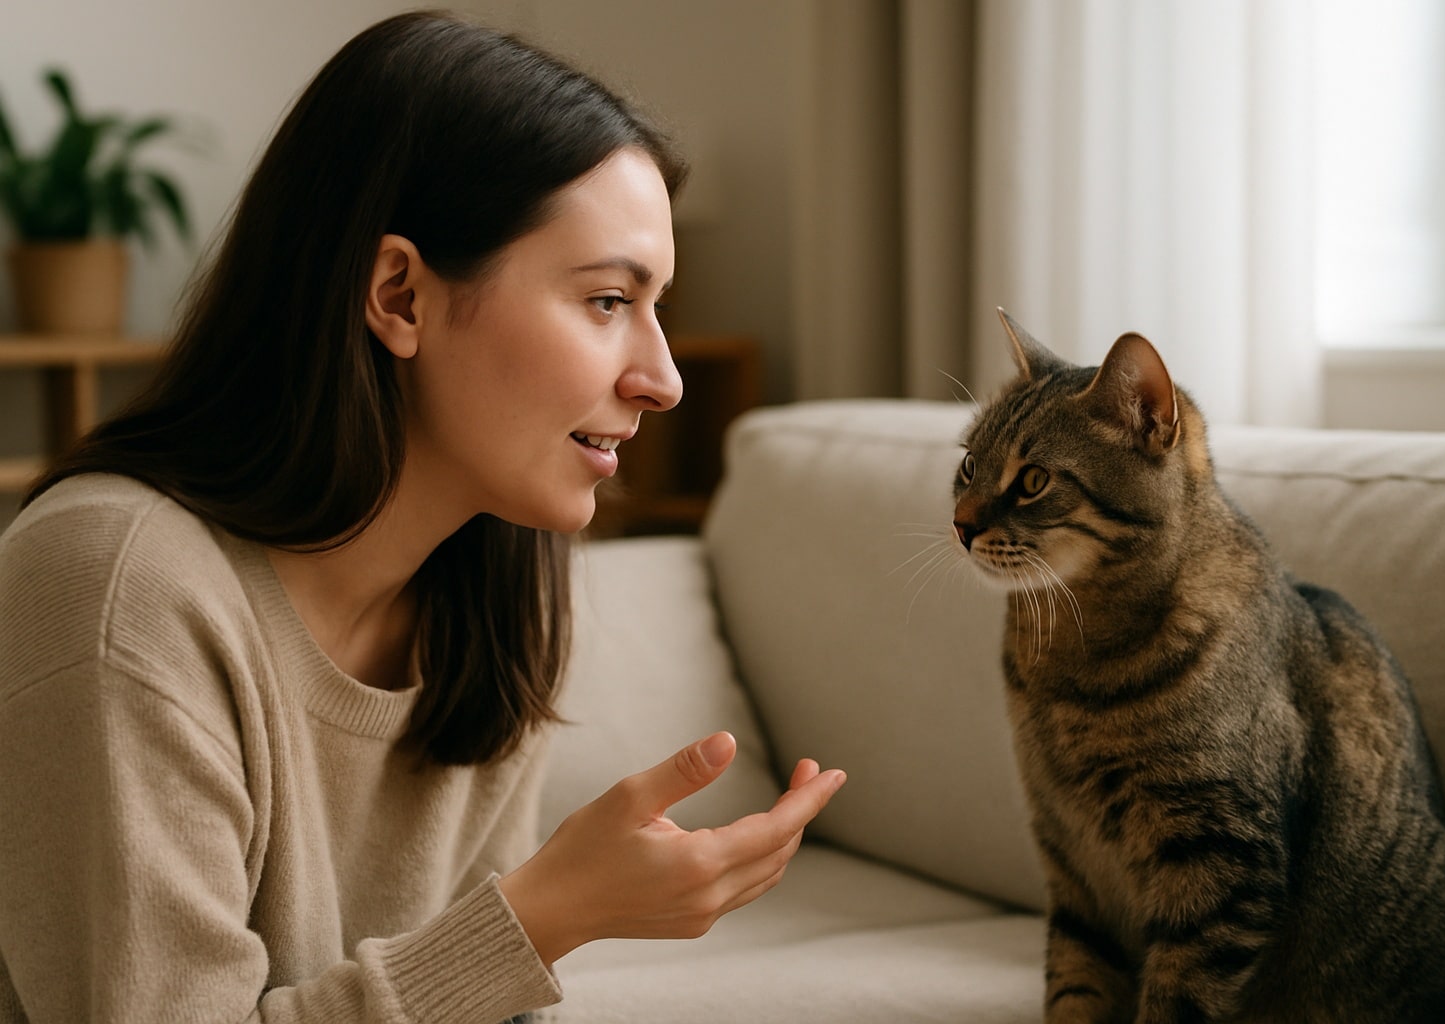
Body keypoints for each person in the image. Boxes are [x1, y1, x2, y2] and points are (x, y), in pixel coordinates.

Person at [0, 11, 846, 1022]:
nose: (660, 377)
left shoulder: (489, 597)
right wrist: (539, 918)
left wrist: (529, 932)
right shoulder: (116, 586)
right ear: (400, 293)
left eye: (656, 303)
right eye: (609, 299)